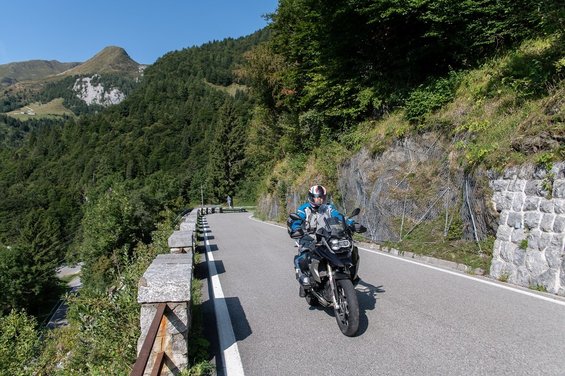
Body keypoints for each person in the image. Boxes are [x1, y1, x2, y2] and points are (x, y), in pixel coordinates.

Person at [287, 185, 356, 296]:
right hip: (309, 238)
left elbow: (338, 216)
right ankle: (304, 279)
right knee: (304, 256)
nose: (321, 199)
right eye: (318, 197)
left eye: (323, 197)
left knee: (345, 250)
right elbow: (296, 219)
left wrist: (351, 224)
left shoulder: (329, 208)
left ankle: (348, 274)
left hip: (327, 237)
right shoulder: (304, 209)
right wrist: (296, 228)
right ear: (311, 197)